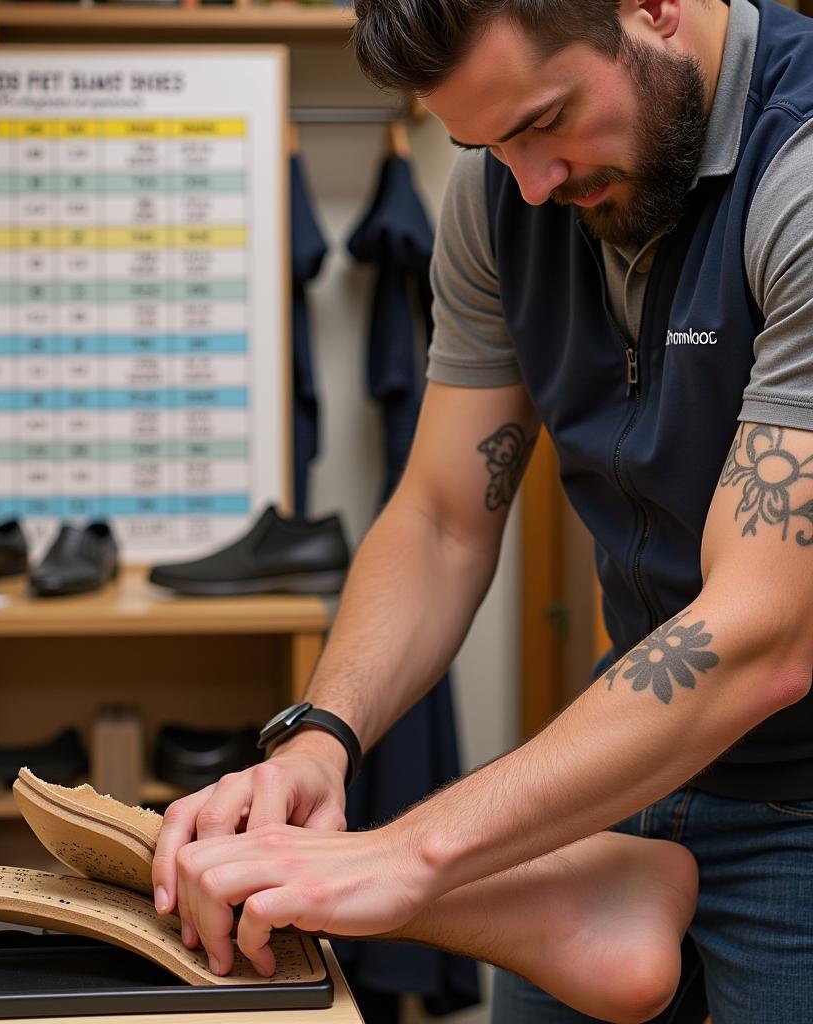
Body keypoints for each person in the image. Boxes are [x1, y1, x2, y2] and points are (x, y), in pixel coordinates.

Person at [151, 1, 813, 1020]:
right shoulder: (504, 196)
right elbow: (440, 518)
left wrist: (406, 855)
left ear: (652, 9)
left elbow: (765, 629)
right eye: (484, 141)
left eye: (544, 120)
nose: (532, 184)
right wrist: (319, 740)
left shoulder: (799, 165)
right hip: (624, 769)